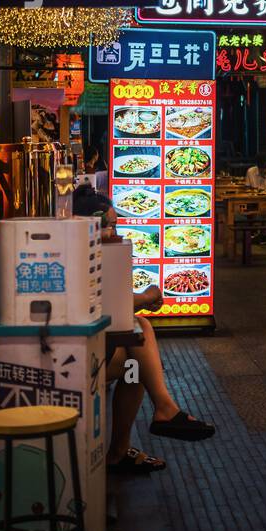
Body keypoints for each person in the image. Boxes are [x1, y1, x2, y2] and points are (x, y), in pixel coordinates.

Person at [73, 186, 216, 475]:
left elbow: (107, 301)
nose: (114, 232)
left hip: (84, 345)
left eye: (115, 224)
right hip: (71, 356)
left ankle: (124, 446)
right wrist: (148, 297)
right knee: (137, 355)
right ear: (87, 223)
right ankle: (160, 412)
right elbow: (103, 302)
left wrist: (141, 299)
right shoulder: (77, 253)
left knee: (136, 365)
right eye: (108, 225)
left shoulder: (89, 250)